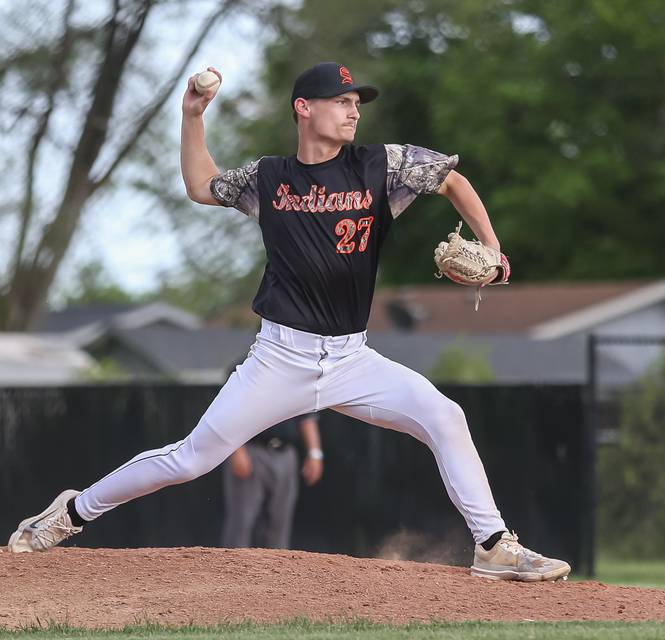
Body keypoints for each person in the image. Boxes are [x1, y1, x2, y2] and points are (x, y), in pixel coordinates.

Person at [8, 61, 570, 582]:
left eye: (358, 103)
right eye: (341, 101)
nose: (354, 111)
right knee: (190, 459)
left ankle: (493, 545)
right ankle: (74, 510)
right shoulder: (270, 179)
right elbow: (201, 187)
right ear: (304, 108)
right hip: (280, 359)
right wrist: (192, 117)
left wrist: (492, 247)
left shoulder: (380, 165)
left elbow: (450, 179)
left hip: (353, 359)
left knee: (445, 416)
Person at [221, 413, 322, 549]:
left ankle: (276, 569)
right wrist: (236, 450)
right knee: (243, 519)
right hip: (252, 449)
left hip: (285, 451)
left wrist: (315, 453)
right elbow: (230, 412)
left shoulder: (294, 390)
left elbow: (307, 415)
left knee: (279, 520)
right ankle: (232, 567)